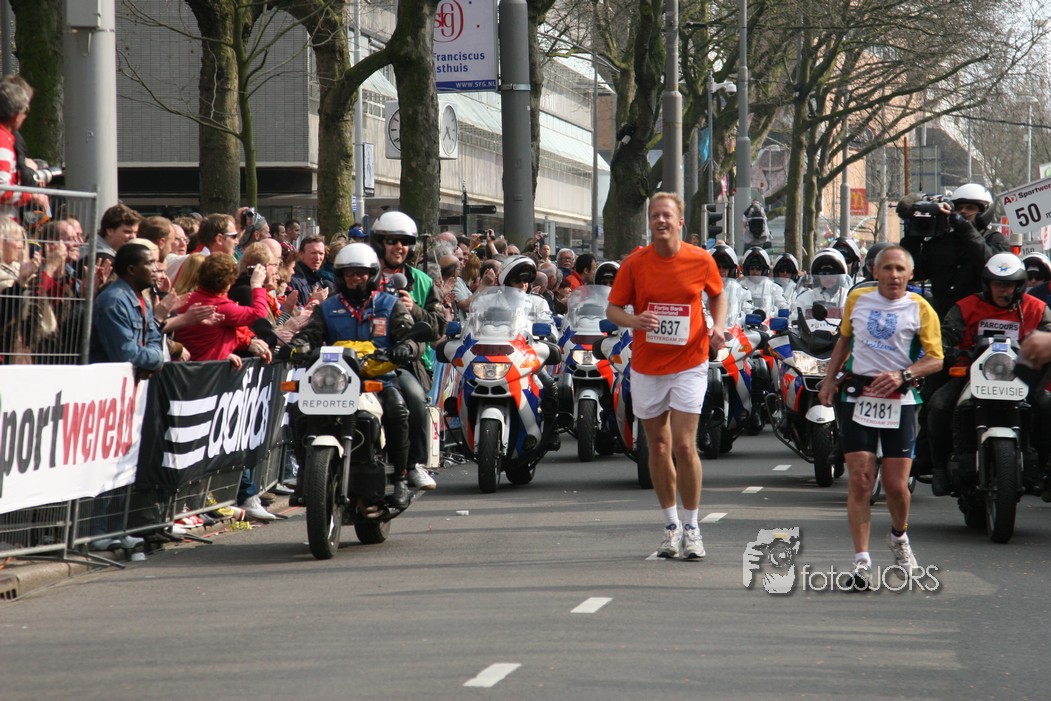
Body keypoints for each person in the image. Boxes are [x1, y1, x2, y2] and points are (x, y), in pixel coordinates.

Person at [606, 191, 726, 560]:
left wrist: (718, 327)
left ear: (680, 222)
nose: (660, 220)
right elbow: (613, 309)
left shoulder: (700, 259)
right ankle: (671, 526)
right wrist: (634, 320)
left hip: (690, 362)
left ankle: (692, 527)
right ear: (650, 222)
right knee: (657, 446)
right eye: (655, 215)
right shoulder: (634, 264)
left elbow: (717, 294)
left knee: (684, 445)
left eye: (666, 215)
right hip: (648, 366)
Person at [816, 244, 943, 589]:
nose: (894, 275)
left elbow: (936, 358)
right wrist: (829, 380)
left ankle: (899, 536)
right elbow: (843, 341)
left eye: (900, 269)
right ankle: (861, 563)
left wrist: (904, 375)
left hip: (899, 401)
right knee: (860, 479)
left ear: (910, 275)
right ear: (875, 272)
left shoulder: (921, 308)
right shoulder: (858, 300)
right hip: (858, 396)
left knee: (896, 486)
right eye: (887, 268)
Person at [289, 244, 420, 508]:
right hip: (333, 381)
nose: (355, 278)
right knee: (298, 410)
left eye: (361, 273)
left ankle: (401, 477)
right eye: (349, 273)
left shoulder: (390, 305)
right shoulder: (327, 308)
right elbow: (311, 334)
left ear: (371, 275)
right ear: (340, 276)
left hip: (378, 380)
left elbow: (411, 337)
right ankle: (305, 473)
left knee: (398, 410)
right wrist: (298, 345)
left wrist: (406, 347)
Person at [927, 252, 1051, 496]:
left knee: (1047, 405)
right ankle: (938, 467)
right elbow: (943, 339)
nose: (1004, 290)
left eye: (1009, 285)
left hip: (1021, 376)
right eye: (998, 284)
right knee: (938, 404)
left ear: (1020, 286)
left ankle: (1045, 470)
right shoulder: (965, 307)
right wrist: (955, 353)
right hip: (971, 374)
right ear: (987, 284)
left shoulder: (1037, 309)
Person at [372, 210, 445, 490]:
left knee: (414, 399)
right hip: (363, 358)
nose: (399, 247)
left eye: (404, 241)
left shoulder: (423, 282)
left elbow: (438, 327)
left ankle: (413, 465)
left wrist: (413, 309)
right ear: (380, 243)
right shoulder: (363, 275)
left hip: (407, 362)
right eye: (392, 240)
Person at [899, 184, 1008, 318]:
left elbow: (992, 267)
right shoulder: (942, 241)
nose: (963, 212)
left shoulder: (995, 239)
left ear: (984, 212)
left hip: (977, 318)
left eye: (970, 208)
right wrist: (912, 237)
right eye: (959, 208)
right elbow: (915, 272)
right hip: (943, 317)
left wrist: (965, 227)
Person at [0, 75, 48, 215]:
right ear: (16, 115)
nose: (26, 117)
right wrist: (31, 196)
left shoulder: (7, 138)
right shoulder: (3, 140)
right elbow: (2, 189)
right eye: (25, 111)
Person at [739, 247, 788, 316]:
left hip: (767, 320)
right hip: (745, 321)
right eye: (752, 268)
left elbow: (781, 302)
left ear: (764, 270)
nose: (755, 271)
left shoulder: (774, 287)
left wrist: (784, 308)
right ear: (747, 269)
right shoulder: (740, 287)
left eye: (758, 268)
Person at [288, 234, 335, 303]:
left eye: (321, 253)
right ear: (301, 254)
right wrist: (314, 301)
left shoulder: (319, 280)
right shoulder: (293, 281)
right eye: (313, 253)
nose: (317, 258)